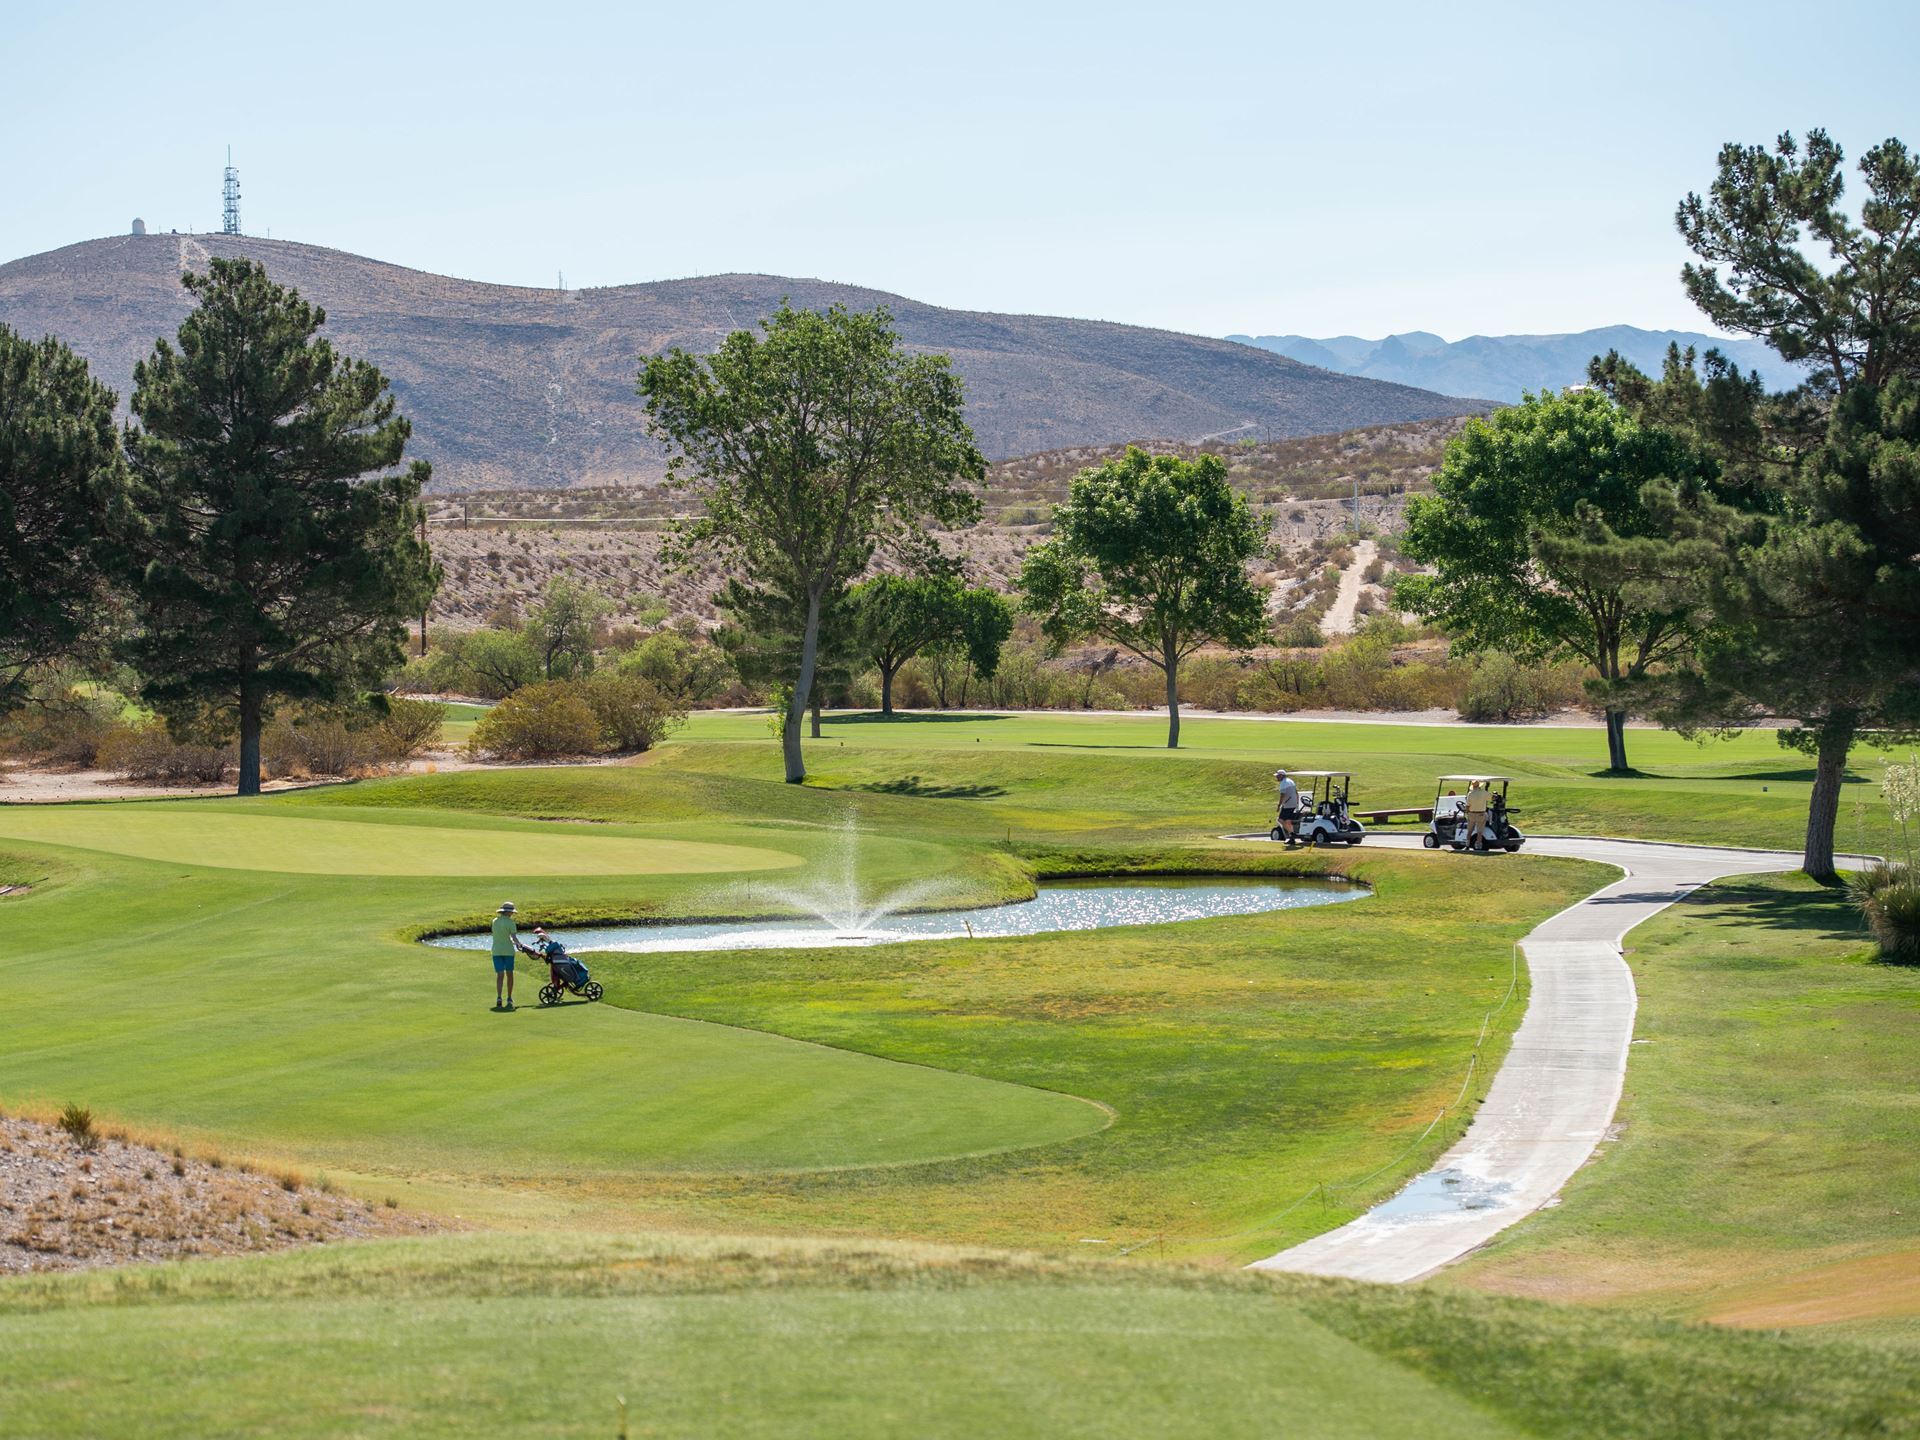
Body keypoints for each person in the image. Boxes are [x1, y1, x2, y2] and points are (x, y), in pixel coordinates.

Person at [490, 901, 518, 1010]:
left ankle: (499, 997)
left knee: (500, 975)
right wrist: (519, 944)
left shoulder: (494, 921)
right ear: (508, 912)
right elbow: (513, 938)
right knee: (509, 974)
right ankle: (509, 998)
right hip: (508, 951)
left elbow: (500, 934)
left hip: (496, 951)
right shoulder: (511, 923)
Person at [1275, 769, 1301, 846]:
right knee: (1288, 821)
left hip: (1287, 805)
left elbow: (1282, 795)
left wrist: (1279, 805)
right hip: (1292, 804)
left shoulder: (1284, 783)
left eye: (1277, 776)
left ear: (1281, 775)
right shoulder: (1290, 781)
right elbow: (1296, 792)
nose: (1276, 777)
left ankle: (1292, 834)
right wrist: (1297, 802)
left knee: (1280, 820)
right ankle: (1292, 838)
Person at [1465, 781, 1491, 851]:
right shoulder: (1484, 792)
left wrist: (1467, 812)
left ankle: (1467, 845)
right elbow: (1491, 798)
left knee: (1470, 830)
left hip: (1472, 814)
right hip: (1481, 814)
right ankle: (1478, 845)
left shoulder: (1470, 794)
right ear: (1479, 785)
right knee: (1479, 831)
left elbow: (1467, 806)